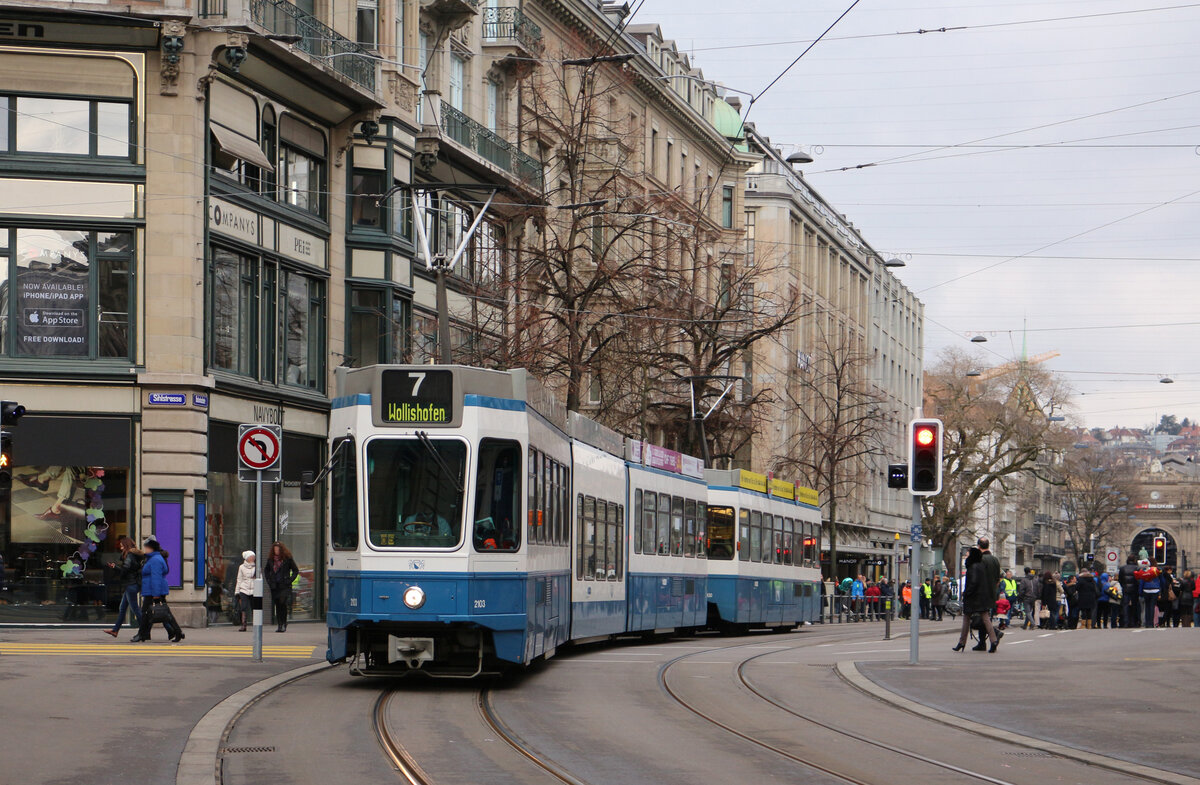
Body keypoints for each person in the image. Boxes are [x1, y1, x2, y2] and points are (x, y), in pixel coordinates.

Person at [132, 537, 183, 643]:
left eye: (146, 547)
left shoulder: (155, 560)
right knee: (164, 612)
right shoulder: (154, 558)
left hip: (153, 590)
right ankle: (177, 632)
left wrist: (156, 594)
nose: (145, 549)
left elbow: (156, 578)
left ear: (151, 548)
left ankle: (141, 634)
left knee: (146, 612)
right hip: (152, 589)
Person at [953, 547, 1001, 653]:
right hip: (982, 596)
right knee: (986, 618)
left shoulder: (972, 567)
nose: (967, 555)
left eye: (968, 554)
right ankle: (993, 640)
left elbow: (973, 583)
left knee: (966, 619)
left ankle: (962, 642)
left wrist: (966, 593)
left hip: (973, 597)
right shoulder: (981, 566)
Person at [103, 536, 143, 638]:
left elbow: (126, 569)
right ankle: (115, 630)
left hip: (131, 585)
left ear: (126, 545)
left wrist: (117, 569)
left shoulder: (129, 555)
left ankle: (144, 631)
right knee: (122, 608)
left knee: (135, 610)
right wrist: (115, 567)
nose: (120, 548)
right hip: (132, 584)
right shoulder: (133, 555)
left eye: (121, 546)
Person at [264, 541, 299, 632]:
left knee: (282, 602)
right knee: (277, 605)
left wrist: (290, 579)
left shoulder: (287, 559)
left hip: (284, 585)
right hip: (275, 585)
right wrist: (269, 580)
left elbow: (295, 570)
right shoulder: (271, 560)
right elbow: (266, 570)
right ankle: (279, 624)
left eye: (278, 549)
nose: (276, 551)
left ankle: (284, 623)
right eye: (275, 549)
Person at [1134, 559, 1162, 629]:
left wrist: (1140, 592)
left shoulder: (1144, 571)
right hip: (1155, 590)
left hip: (1146, 590)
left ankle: (1147, 623)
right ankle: (1151, 623)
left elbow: (1142, 582)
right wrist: (1160, 590)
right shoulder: (1156, 571)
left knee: (1147, 607)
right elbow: (1162, 581)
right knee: (1152, 606)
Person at [234, 550, 255, 632]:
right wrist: (237, 592)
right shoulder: (241, 567)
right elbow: (239, 579)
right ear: (247, 558)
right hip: (244, 589)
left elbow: (260, 578)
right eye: (251, 556)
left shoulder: (257, 567)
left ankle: (256, 624)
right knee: (244, 607)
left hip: (254, 590)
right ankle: (243, 624)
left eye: (254, 557)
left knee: (255, 608)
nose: (253, 558)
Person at [1118, 555, 1140, 627]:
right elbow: (1138, 580)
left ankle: (1125, 622)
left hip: (1125, 589)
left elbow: (1120, 579)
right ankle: (1133, 622)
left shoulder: (1122, 568)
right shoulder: (1137, 568)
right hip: (1134, 589)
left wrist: (1124, 586)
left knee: (1125, 606)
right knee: (1134, 606)